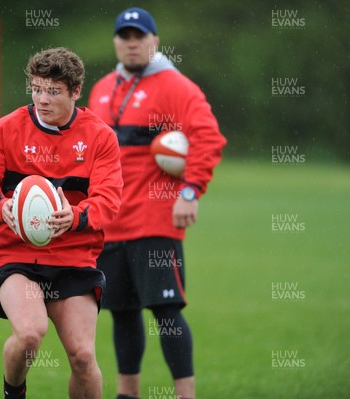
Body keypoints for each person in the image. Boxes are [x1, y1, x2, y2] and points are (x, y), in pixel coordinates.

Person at [0, 47, 123, 399]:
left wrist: (77, 216)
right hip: (15, 256)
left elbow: (109, 201)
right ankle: (14, 393)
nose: (42, 99)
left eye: (53, 91)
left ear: (75, 91)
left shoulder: (100, 137)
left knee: (82, 356)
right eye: (37, 89)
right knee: (31, 333)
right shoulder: (6, 130)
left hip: (73, 257)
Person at [88, 7, 227, 399]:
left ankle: (185, 394)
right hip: (109, 221)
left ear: (155, 41)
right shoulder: (101, 88)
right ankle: (126, 394)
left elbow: (208, 138)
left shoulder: (177, 87)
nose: (132, 43)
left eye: (139, 36)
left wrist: (190, 191)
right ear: (116, 42)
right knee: (122, 312)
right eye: (124, 36)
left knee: (166, 312)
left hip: (155, 218)